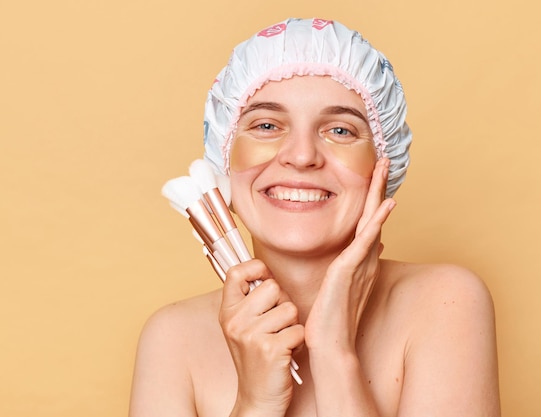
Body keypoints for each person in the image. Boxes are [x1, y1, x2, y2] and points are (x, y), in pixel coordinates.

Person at [129, 18, 500, 417]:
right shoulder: (171, 341)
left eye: (340, 130)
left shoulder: (446, 303)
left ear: (382, 165)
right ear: (224, 160)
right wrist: (257, 403)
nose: (302, 155)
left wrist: (334, 353)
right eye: (267, 125)